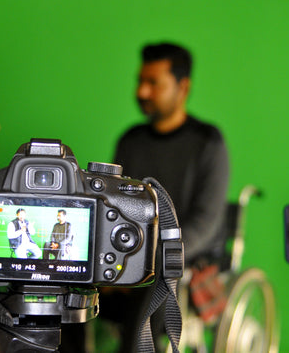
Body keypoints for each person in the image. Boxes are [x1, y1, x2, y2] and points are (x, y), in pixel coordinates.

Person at [103, 42, 230, 352]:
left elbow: (206, 223)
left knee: (157, 279)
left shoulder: (208, 143)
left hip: (176, 262)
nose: (142, 92)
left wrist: (147, 256)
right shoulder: (130, 141)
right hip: (125, 256)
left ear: (182, 87)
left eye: (153, 83)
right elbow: (111, 207)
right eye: (139, 81)